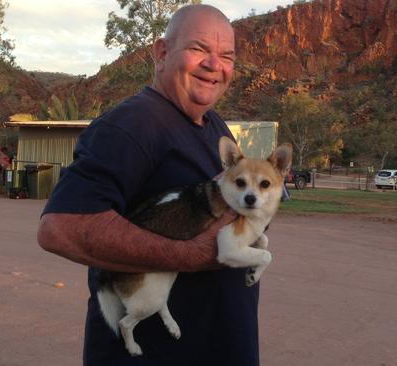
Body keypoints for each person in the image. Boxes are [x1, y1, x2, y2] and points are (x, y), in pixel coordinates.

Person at [37, 5, 261, 366]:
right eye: (199, 49)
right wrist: (190, 256)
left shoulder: (213, 124)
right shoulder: (132, 124)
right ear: (161, 52)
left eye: (226, 56)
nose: (214, 65)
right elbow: (60, 227)